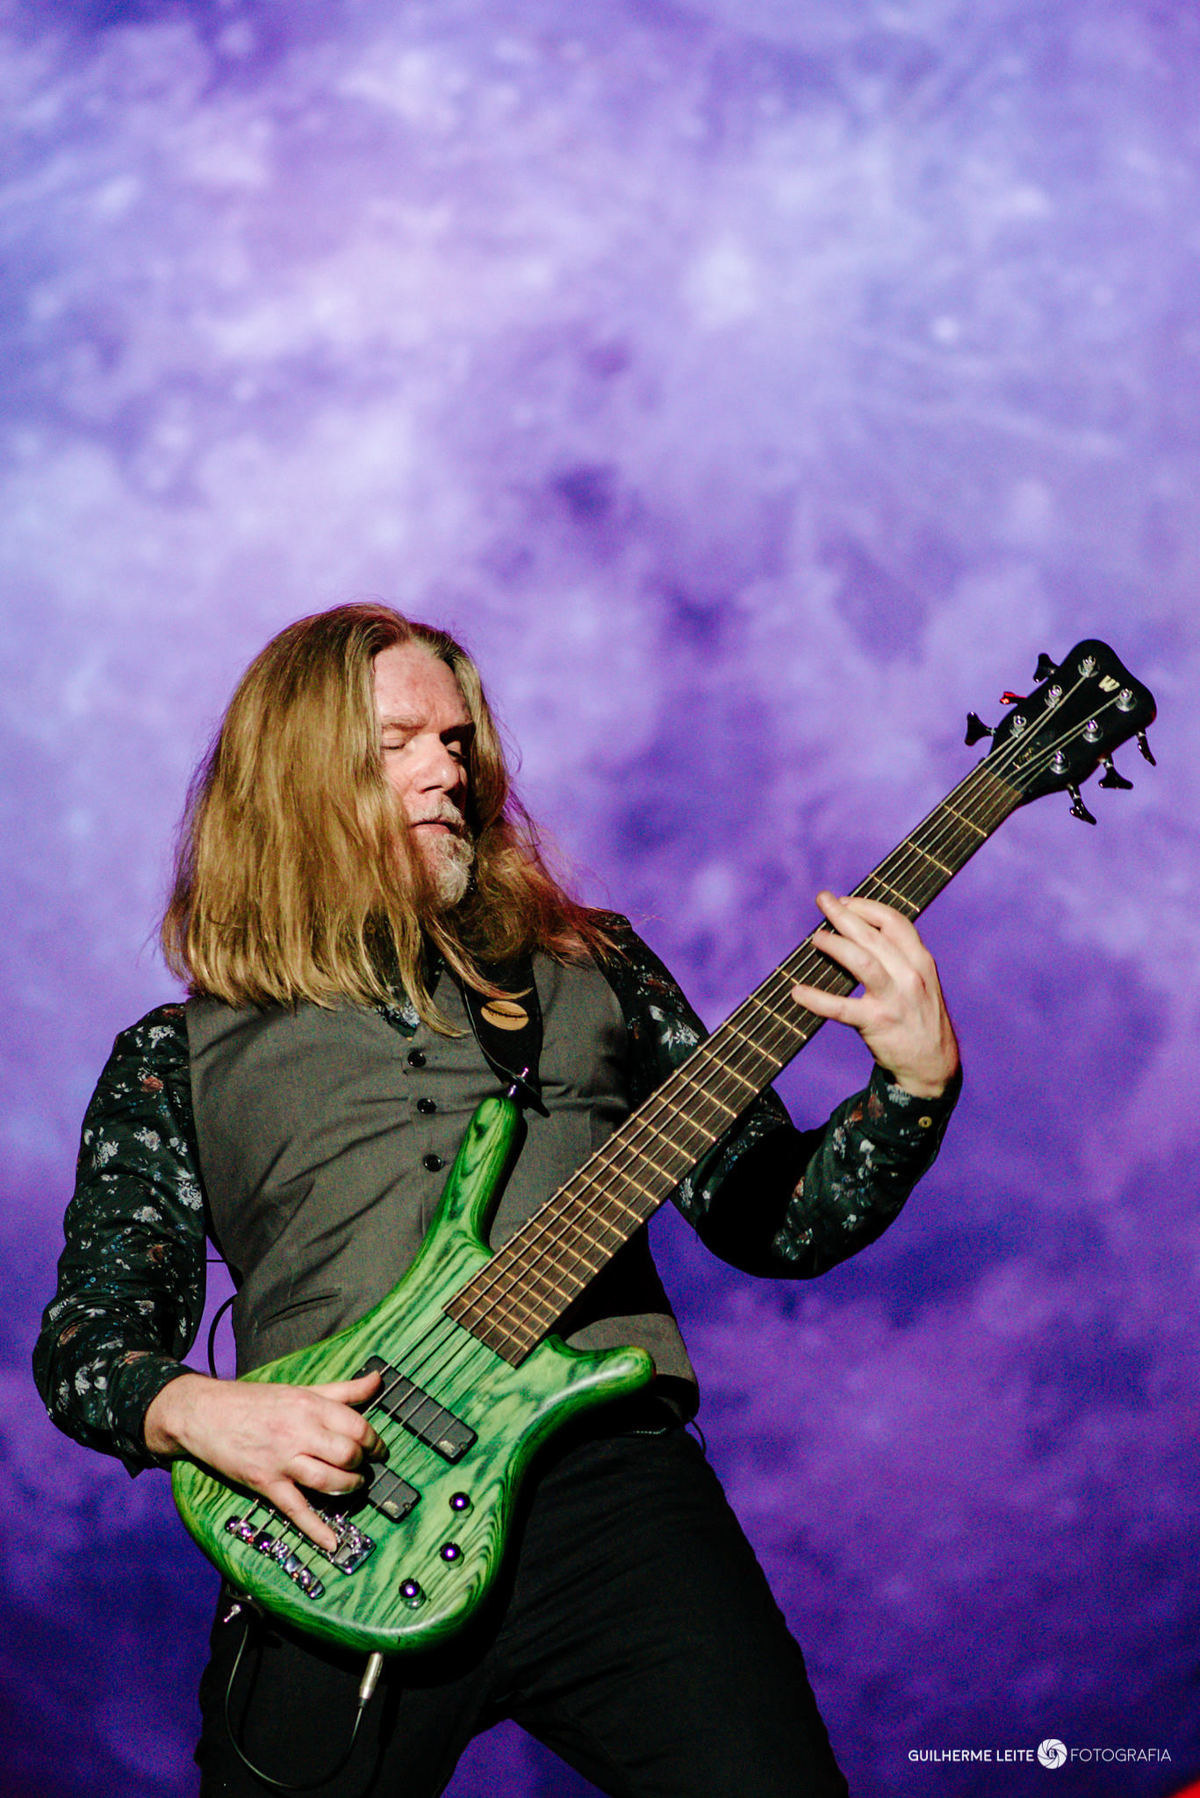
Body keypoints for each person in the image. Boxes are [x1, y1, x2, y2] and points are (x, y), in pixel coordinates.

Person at [34, 602, 961, 1797]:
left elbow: (772, 1217)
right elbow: (90, 1344)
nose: (447, 770)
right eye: (397, 744)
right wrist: (199, 1413)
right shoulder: (178, 1056)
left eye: (457, 740)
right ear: (296, 777)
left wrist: (911, 1090)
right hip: (338, 1525)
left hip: (611, 1498)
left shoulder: (594, 971)